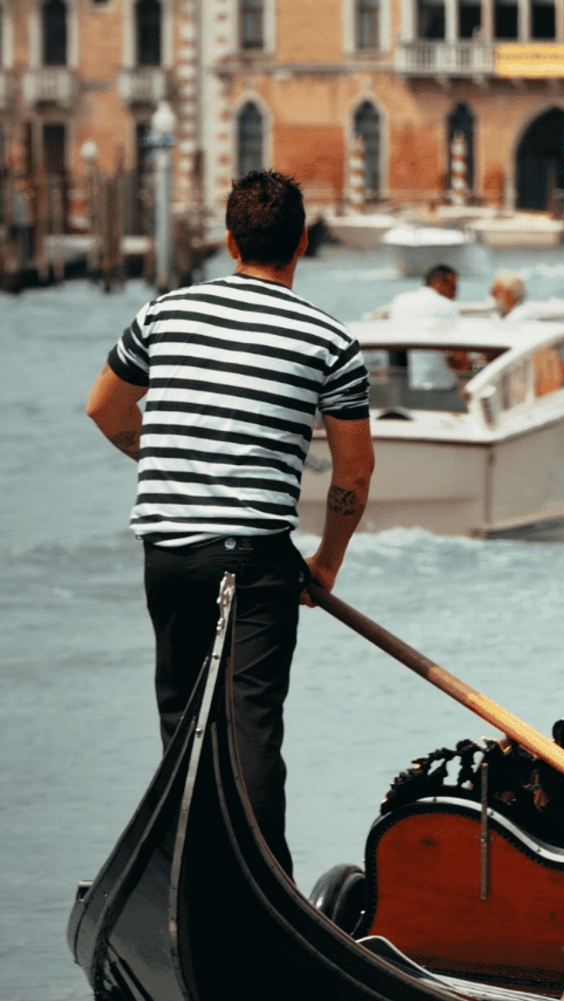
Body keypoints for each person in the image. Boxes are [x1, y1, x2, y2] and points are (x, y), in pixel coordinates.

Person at [83, 169, 375, 878]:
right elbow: (355, 472)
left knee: (182, 724)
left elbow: (104, 409)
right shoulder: (331, 340)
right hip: (253, 559)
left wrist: (172, 459)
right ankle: (264, 886)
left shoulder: (163, 314)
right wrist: (327, 563)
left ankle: (185, 875)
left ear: (229, 241)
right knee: (250, 733)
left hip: (166, 553)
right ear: (301, 243)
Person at [390, 263, 460, 324]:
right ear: (438, 284)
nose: (455, 294)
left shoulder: (399, 300)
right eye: (453, 287)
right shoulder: (446, 306)